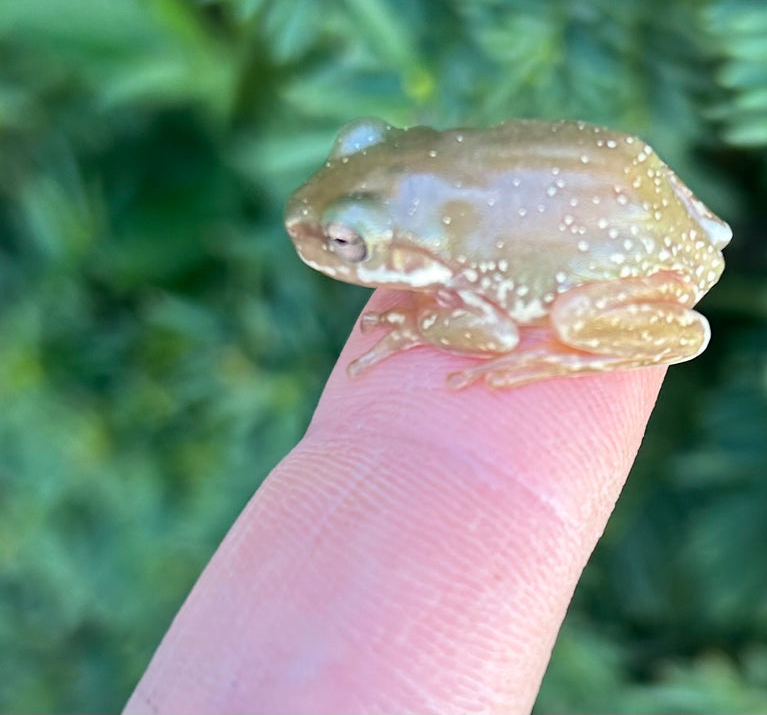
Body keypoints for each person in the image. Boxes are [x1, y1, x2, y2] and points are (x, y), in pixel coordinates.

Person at [124, 290, 665, 714]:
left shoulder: (460, 270)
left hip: (616, 266)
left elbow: (498, 332)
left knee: (566, 326)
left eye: (346, 242)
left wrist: (422, 323)